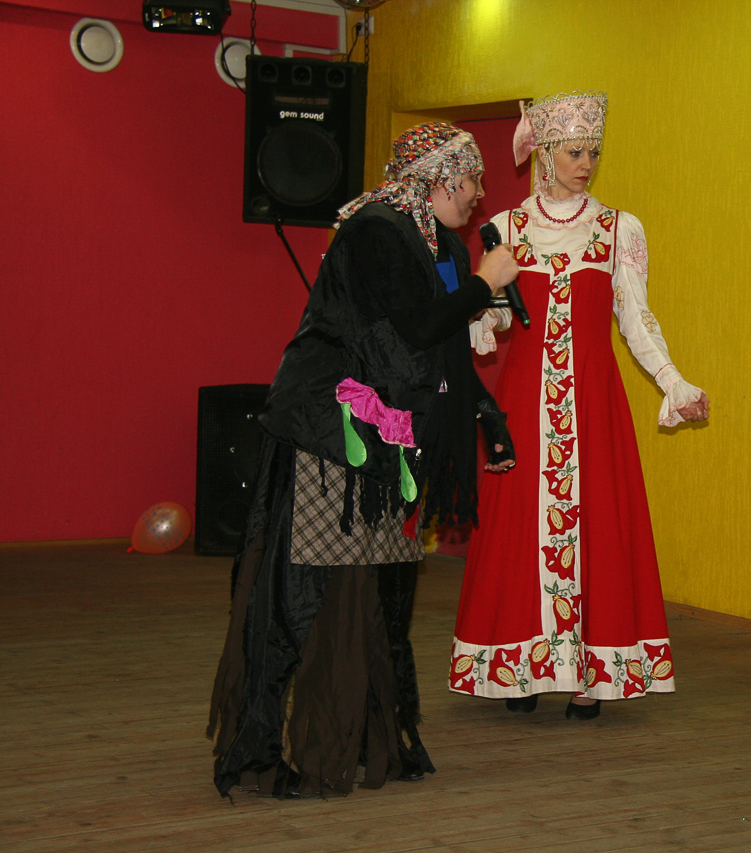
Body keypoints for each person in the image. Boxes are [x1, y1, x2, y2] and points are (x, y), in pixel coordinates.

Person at [206, 122, 519, 798]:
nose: (479, 193)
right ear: (439, 178)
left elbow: (443, 352)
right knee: (300, 596)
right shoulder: (377, 229)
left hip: (388, 445)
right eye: (472, 179)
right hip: (329, 433)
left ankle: (374, 739)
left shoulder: (442, 244)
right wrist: (483, 285)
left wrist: (487, 417)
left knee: (379, 601)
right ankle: (257, 754)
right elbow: (417, 324)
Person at [449, 91, 708, 719]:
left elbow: (636, 319)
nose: (585, 164)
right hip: (525, 397)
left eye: (592, 152)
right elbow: (498, 319)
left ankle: (593, 673)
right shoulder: (506, 229)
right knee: (518, 526)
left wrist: (673, 382)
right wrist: (479, 316)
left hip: (592, 398)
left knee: (598, 525)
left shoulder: (618, 229)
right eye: (573, 152)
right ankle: (523, 669)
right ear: (545, 153)